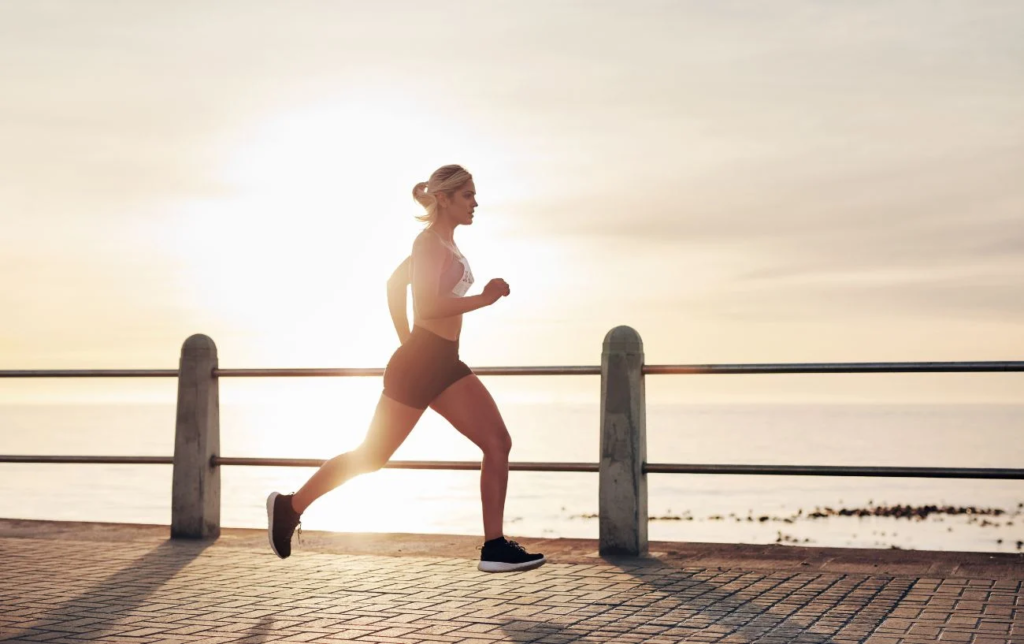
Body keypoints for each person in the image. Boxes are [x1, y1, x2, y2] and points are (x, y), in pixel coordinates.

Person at [266, 164, 545, 573]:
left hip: (442, 362)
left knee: (497, 442)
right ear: (444, 199)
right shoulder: (427, 242)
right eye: (467, 195)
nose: (475, 203)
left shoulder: (445, 244)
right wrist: (480, 300)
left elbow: (395, 285)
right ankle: (289, 507)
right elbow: (427, 306)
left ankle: (494, 546)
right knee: (371, 456)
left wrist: (408, 341)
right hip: (421, 363)